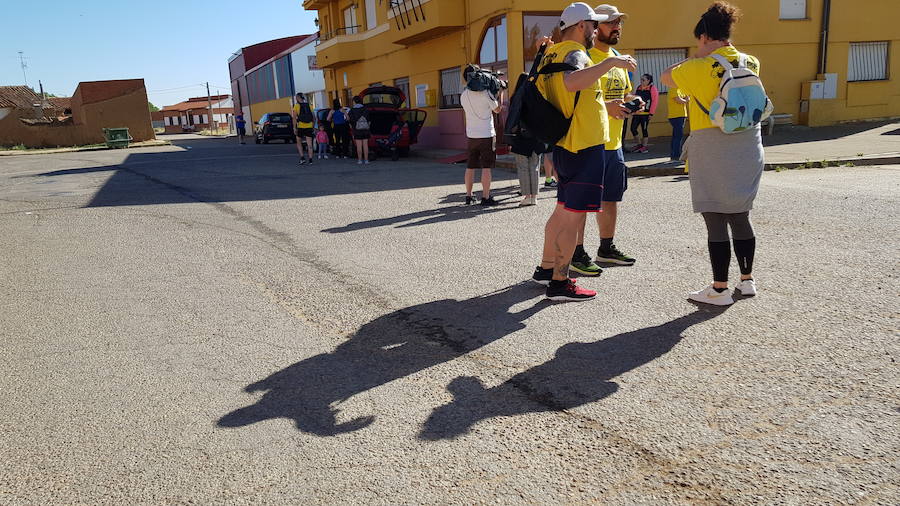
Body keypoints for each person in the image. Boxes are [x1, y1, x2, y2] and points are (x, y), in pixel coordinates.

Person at [529, 2, 637, 302]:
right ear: (581, 26)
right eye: (593, 25)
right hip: (584, 144)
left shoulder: (552, 52)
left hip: (565, 143)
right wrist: (610, 64)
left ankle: (546, 269)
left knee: (562, 212)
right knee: (573, 217)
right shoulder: (576, 53)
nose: (594, 31)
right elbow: (572, 81)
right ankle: (560, 283)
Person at [661, 1, 763, 306]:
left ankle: (719, 289)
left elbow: (667, 76)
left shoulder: (696, 67)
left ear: (704, 36)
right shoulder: (751, 61)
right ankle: (747, 282)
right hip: (748, 144)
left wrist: (700, 55)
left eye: (699, 40)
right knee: (740, 214)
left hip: (712, 145)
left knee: (715, 216)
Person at [568, 3, 641, 275]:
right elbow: (573, 99)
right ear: (596, 26)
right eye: (611, 22)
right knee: (582, 204)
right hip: (589, 142)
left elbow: (625, 94)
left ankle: (606, 248)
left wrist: (635, 101)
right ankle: (577, 252)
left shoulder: (620, 59)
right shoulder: (584, 56)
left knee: (611, 199)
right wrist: (606, 107)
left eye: (619, 22)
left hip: (614, 144)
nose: (617, 27)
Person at [461, 66, 504, 206]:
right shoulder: (486, 93)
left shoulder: (463, 95)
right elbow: (497, 110)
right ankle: (485, 197)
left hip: (471, 135)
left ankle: (468, 196)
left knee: (470, 166)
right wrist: (500, 93)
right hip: (486, 134)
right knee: (486, 167)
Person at [628, 74, 659, 153]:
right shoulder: (639, 87)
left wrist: (651, 113)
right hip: (637, 113)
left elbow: (654, 101)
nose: (641, 81)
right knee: (633, 128)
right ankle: (639, 145)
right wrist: (633, 111)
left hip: (646, 114)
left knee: (644, 129)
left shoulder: (652, 88)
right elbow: (635, 99)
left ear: (648, 81)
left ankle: (644, 147)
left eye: (643, 80)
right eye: (641, 79)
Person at [292, 93, 316, 164]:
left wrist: (294, 128)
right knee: (309, 144)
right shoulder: (309, 105)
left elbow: (294, 118)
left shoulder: (296, 106)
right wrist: (313, 126)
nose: (296, 99)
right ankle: (311, 160)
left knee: (299, 142)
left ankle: (302, 158)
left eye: (296, 97)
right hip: (309, 126)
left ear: (298, 98)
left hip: (300, 127)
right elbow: (314, 117)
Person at [667, 86, 689, 162]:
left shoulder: (681, 89)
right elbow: (679, 100)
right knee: (678, 136)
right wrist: (686, 100)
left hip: (681, 115)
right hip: (675, 116)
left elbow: (687, 96)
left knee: (676, 135)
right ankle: (676, 155)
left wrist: (686, 98)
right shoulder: (673, 89)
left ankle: (674, 155)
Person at [348, 95, 371, 165]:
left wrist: (353, 127)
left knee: (359, 146)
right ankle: (366, 160)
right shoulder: (366, 109)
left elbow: (350, 120)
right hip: (365, 129)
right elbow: (369, 120)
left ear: (354, 101)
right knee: (365, 145)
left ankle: (360, 160)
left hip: (357, 130)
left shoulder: (352, 110)